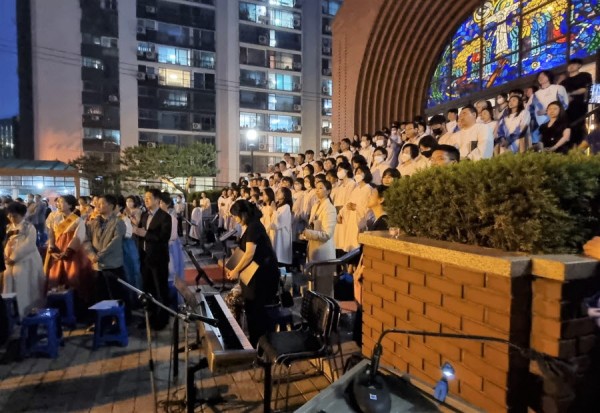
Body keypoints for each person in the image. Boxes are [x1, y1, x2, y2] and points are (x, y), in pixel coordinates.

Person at [226, 200, 280, 346]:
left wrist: (236, 270)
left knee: (255, 309)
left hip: (262, 276)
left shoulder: (254, 227)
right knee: (250, 307)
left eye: (235, 216)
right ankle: (253, 341)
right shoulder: (251, 226)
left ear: (243, 214)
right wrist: (232, 266)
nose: (235, 219)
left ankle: (258, 344)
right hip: (255, 274)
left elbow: (249, 253)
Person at [45, 195, 94, 310]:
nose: (58, 204)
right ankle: (58, 307)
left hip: (72, 253)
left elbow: (78, 237)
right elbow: (51, 234)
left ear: (70, 205)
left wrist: (68, 252)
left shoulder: (77, 220)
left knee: (72, 277)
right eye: (58, 202)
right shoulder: (54, 218)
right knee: (55, 277)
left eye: (62, 202)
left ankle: (75, 307)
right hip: (56, 251)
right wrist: (52, 248)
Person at [133, 188, 172, 330]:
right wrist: (137, 231)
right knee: (148, 289)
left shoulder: (165, 217)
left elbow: (163, 238)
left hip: (158, 259)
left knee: (160, 289)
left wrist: (145, 234)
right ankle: (149, 318)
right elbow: (140, 233)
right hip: (145, 258)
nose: (146, 200)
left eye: (149, 198)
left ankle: (162, 319)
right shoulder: (144, 215)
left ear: (157, 200)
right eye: (145, 198)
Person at [83, 195, 129, 315]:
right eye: (97, 203)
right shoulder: (92, 222)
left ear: (111, 206)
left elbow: (115, 242)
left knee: (116, 294)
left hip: (113, 265)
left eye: (102, 203)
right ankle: (102, 319)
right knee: (100, 294)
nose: (98, 205)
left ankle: (119, 318)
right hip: (97, 265)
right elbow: (86, 240)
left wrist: (99, 256)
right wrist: (91, 255)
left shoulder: (118, 222)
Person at [3, 202, 45, 317]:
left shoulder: (29, 227)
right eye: (9, 216)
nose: (11, 218)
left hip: (27, 261)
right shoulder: (8, 228)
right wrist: (6, 256)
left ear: (21, 215)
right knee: (10, 288)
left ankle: (28, 313)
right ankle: (12, 315)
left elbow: (29, 245)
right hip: (9, 263)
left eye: (14, 216)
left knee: (26, 289)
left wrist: (14, 257)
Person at [334, 165, 373, 253]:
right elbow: (348, 202)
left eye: (360, 172)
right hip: (351, 219)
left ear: (366, 174)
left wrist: (356, 207)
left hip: (360, 220)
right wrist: (340, 213)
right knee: (350, 246)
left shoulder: (368, 189)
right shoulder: (356, 189)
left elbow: (369, 208)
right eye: (356, 172)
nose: (357, 174)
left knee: (357, 246)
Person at [301, 180, 337, 262]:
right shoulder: (315, 206)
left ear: (328, 191)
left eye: (320, 188)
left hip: (323, 251)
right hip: (313, 249)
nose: (317, 190)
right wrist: (305, 234)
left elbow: (327, 234)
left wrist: (308, 233)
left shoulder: (329, 208)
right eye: (316, 188)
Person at [560, 58, 593, 145]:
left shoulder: (584, 76)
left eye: (574, 64)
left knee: (578, 129)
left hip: (579, 107)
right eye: (569, 65)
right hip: (566, 110)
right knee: (567, 129)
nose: (571, 66)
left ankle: (579, 148)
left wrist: (571, 94)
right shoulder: (563, 82)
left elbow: (585, 89)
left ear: (579, 66)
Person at [271, 187, 293, 266]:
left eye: (280, 192)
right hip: (277, 235)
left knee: (280, 257)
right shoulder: (279, 206)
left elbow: (279, 222)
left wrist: (274, 210)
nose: (277, 193)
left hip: (282, 235)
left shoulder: (286, 207)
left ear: (285, 195)